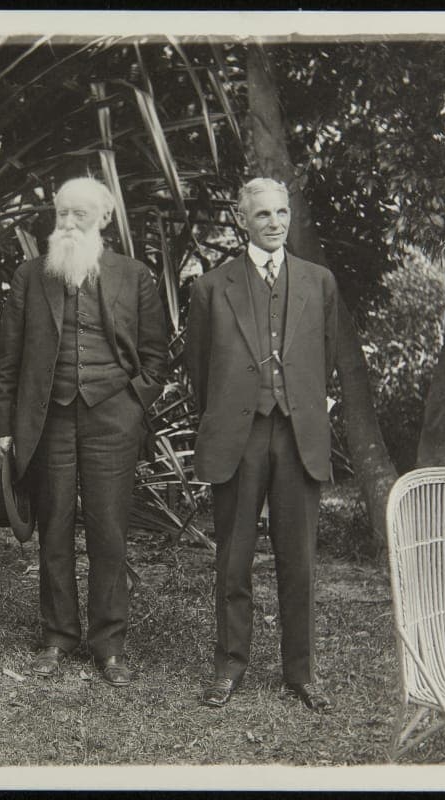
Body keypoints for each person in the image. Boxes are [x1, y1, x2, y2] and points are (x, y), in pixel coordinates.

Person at [0, 176, 169, 687]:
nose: (67, 224)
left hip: (113, 419)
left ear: (105, 221)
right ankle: (58, 636)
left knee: (110, 533)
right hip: (48, 421)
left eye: (80, 216)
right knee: (55, 530)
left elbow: (157, 358)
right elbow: (8, 361)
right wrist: (4, 428)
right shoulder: (31, 277)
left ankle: (109, 644)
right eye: (62, 214)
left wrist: (132, 404)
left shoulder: (135, 277)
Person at [186, 177, 338, 710]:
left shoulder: (319, 282)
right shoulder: (212, 287)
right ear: (241, 218)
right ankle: (229, 666)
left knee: (298, 560)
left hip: (298, 436)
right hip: (239, 436)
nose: (274, 223)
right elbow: (200, 370)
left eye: (281, 213)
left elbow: (327, 356)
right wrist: (231, 415)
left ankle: (301, 672)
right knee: (234, 558)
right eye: (263, 215)